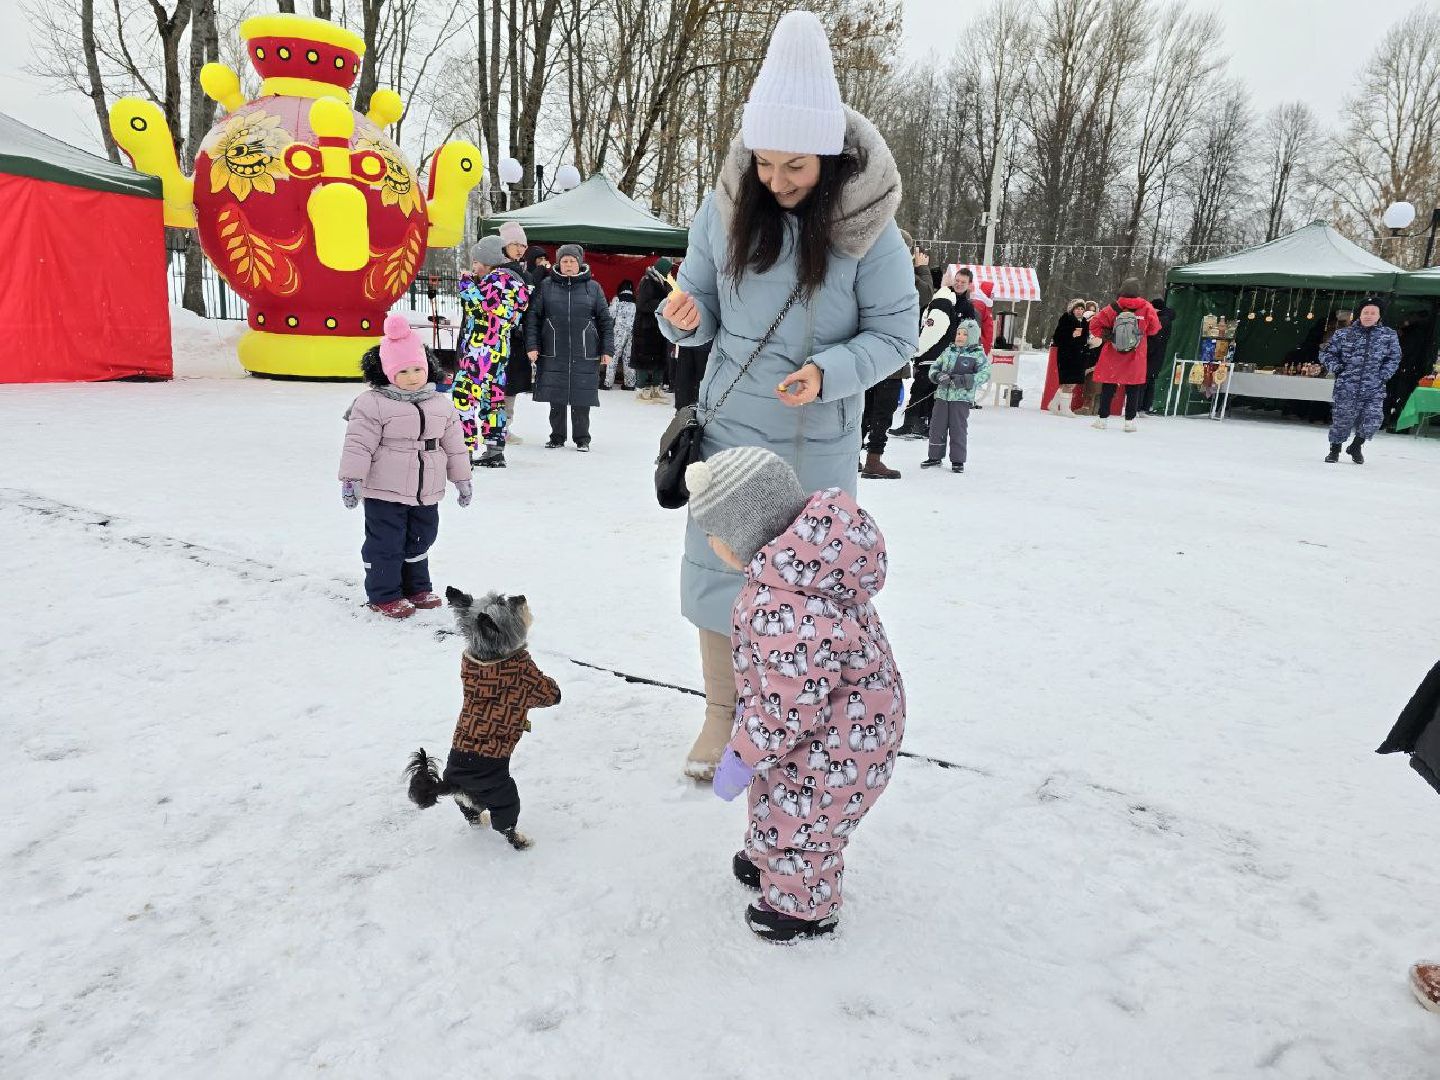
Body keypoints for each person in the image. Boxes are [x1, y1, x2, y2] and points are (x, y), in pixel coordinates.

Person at [656, 11, 918, 780]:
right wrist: (684, 318)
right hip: (730, 437)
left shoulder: (872, 230)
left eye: (796, 166)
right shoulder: (725, 205)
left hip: (814, 452)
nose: (778, 181)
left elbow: (898, 336)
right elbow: (696, 306)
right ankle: (721, 717)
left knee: (803, 601)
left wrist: (829, 373)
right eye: (765, 163)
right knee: (718, 582)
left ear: (831, 156)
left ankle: (790, 718)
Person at [686, 447, 906, 942]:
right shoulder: (801, 568)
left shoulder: (788, 604)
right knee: (781, 788)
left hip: (841, 742)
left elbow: (788, 709)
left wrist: (742, 754)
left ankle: (803, 907)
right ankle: (769, 854)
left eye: (713, 533)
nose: (710, 542)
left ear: (744, 533)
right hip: (839, 720)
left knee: (806, 822)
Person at [339, 316, 472, 619]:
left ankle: (417, 587)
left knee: (421, 537)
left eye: (417, 369)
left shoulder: (440, 403)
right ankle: (384, 594)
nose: (412, 377)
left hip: (427, 490)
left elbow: (454, 445)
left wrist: (462, 479)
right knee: (386, 541)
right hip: (385, 489)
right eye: (403, 371)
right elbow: (358, 445)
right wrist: (351, 480)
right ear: (387, 372)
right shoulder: (372, 403)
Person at [524, 244, 614, 450]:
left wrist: (607, 350)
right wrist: (532, 345)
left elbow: (605, 321)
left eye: (572, 261)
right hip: (553, 350)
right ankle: (557, 437)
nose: (568, 265)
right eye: (564, 261)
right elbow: (533, 318)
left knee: (581, 397)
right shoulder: (546, 285)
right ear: (558, 263)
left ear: (580, 263)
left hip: (585, 351)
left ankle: (582, 439)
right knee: (556, 397)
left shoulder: (593, 287)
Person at [453, 234, 531, 468]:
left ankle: (463, 451)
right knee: (493, 399)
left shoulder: (497, 281)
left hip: (481, 352)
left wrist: (466, 285)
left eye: (476, 262)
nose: (473, 266)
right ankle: (495, 451)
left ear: (488, 260)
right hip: (499, 351)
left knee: (464, 397)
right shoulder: (513, 283)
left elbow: (480, 310)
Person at [858, 230, 926, 479]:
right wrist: (920, 269)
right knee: (880, 413)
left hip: (866, 352)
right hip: (889, 354)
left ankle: (854, 457)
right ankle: (873, 459)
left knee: (863, 410)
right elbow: (925, 294)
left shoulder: (868, 268)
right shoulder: (902, 274)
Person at [891, 266, 971, 439]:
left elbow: (939, 331)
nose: (958, 285)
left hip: (941, 354)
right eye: (956, 281)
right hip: (934, 354)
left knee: (927, 389)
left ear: (969, 285)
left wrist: (918, 349)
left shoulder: (961, 306)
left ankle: (922, 424)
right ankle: (914, 424)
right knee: (924, 389)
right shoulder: (943, 300)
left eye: (963, 282)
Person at [1321, 297, 1402, 464]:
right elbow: (1326, 353)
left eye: (1373, 313)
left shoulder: (1388, 335)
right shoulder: (1343, 334)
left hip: (1374, 386)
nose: (1369, 316)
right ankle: (1334, 450)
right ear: (1360, 314)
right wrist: (1337, 368)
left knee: (1373, 419)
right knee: (1342, 420)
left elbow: (1394, 358)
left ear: (1379, 316)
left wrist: (1383, 375)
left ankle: (1356, 446)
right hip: (1347, 386)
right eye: (1366, 312)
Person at [1087, 279, 1160, 432]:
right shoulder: (1147, 307)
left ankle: (1102, 419)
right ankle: (1129, 421)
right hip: (1136, 354)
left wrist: (1108, 336)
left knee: (1108, 386)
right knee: (1133, 389)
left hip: (1113, 353)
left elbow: (1094, 325)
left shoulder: (1112, 308)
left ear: (1122, 291)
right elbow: (1154, 329)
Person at [923, 316, 990, 473]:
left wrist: (965, 380)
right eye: (959, 333)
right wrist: (938, 376)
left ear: (972, 337)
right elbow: (934, 367)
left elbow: (985, 374)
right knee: (936, 427)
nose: (960, 337)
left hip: (960, 400)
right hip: (941, 397)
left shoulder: (977, 355)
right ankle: (934, 456)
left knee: (958, 429)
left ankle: (958, 460)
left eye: (965, 334)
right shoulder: (948, 351)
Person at [631, 258, 673, 402]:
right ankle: (642, 388)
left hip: (659, 326)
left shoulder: (664, 282)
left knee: (660, 357)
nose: (670, 272)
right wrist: (664, 303)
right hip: (646, 327)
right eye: (668, 269)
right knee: (643, 358)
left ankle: (656, 387)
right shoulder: (648, 281)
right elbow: (642, 304)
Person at [1049, 299, 1088, 417]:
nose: (1079, 311)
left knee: (1071, 382)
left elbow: (1084, 338)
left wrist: (1084, 339)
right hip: (1067, 355)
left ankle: (1054, 404)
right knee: (1068, 382)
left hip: (1079, 355)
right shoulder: (1066, 319)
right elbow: (1057, 337)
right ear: (1072, 309)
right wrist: (1071, 335)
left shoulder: (1085, 322)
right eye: (1077, 308)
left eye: (1082, 309)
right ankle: (1065, 408)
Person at [1141, 295, 1175, 413]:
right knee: (1150, 380)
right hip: (1158, 355)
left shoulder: (1160, 320)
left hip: (1151, 354)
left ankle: (1140, 407)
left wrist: (1146, 351)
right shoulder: (1167, 319)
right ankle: (1145, 407)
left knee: (1144, 381)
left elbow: (1154, 339)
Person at [606, 279, 637, 390]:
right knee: (628, 358)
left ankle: (608, 383)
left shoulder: (617, 299)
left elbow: (611, 314)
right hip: (632, 332)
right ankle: (630, 384)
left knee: (613, 357)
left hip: (619, 332)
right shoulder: (635, 300)